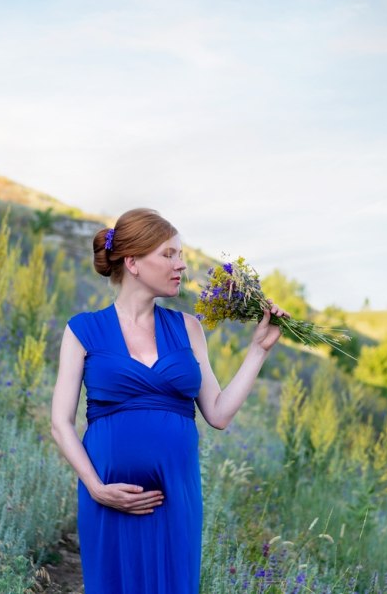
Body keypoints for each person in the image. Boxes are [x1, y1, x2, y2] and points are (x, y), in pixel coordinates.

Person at [50, 208, 287, 594]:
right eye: (169, 254)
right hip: (109, 498)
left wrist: (258, 350)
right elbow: (60, 423)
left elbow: (219, 413)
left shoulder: (189, 328)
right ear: (133, 262)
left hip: (177, 496)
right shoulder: (83, 329)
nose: (181, 265)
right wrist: (96, 487)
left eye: (181, 255)